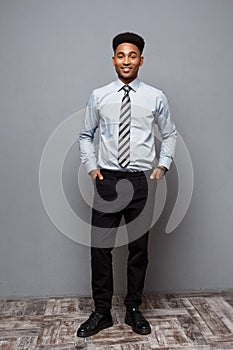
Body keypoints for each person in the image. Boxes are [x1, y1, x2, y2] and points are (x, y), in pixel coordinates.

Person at [77, 32, 177, 337]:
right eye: (121, 55)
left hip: (139, 181)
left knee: (138, 250)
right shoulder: (99, 96)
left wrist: (162, 165)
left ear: (141, 60)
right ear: (113, 59)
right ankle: (102, 312)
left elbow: (170, 133)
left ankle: (134, 309)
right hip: (108, 180)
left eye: (132, 55)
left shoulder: (155, 96)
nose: (126, 61)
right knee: (100, 249)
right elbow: (85, 136)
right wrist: (93, 169)